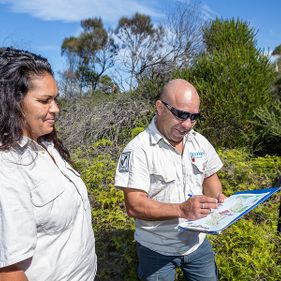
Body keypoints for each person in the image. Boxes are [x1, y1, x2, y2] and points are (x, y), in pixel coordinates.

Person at [0, 48, 97, 281]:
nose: (55, 109)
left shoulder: (46, 143)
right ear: (12, 102)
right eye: (44, 101)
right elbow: (9, 272)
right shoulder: (7, 168)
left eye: (55, 99)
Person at [114, 79, 226, 281]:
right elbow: (134, 205)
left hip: (197, 244)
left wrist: (217, 200)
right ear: (159, 107)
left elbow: (210, 178)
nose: (187, 125)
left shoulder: (198, 141)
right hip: (157, 249)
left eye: (194, 117)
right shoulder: (138, 149)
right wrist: (182, 210)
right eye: (181, 115)